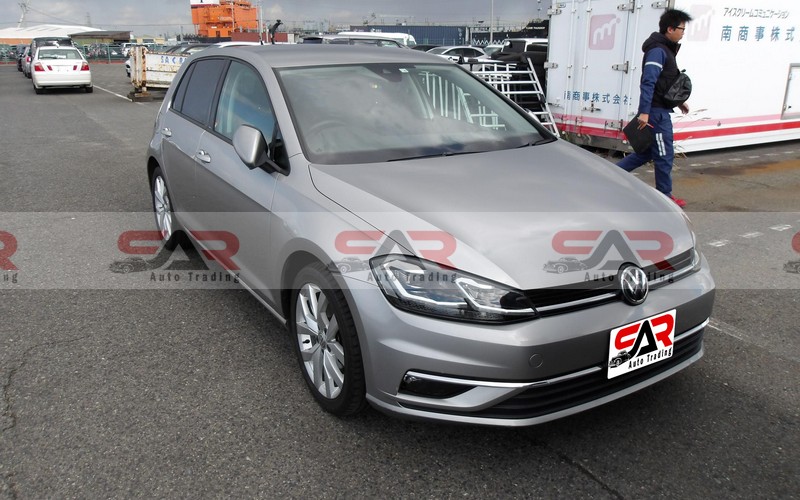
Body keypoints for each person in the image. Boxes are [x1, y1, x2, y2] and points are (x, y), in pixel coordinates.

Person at [617, 9, 692, 208]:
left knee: (647, 152)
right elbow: (648, 81)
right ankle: (665, 196)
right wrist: (645, 112)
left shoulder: (666, 49)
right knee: (664, 154)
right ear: (670, 29)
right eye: (682, 29)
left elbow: (664, 82)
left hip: (658, 109)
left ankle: (611, 174)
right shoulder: (658, 51)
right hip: (656, 114)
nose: (683, 33)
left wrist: (678, 102)